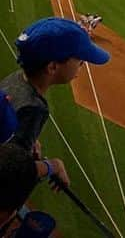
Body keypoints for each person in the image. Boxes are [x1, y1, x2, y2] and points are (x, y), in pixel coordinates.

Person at [0, 17, 109, 158]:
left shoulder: (15, 79)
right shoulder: (33, 108)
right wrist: (50, 167)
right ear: (52, 67)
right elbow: (12, 169)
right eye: (79, 60)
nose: (82, 64)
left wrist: (29, 139)